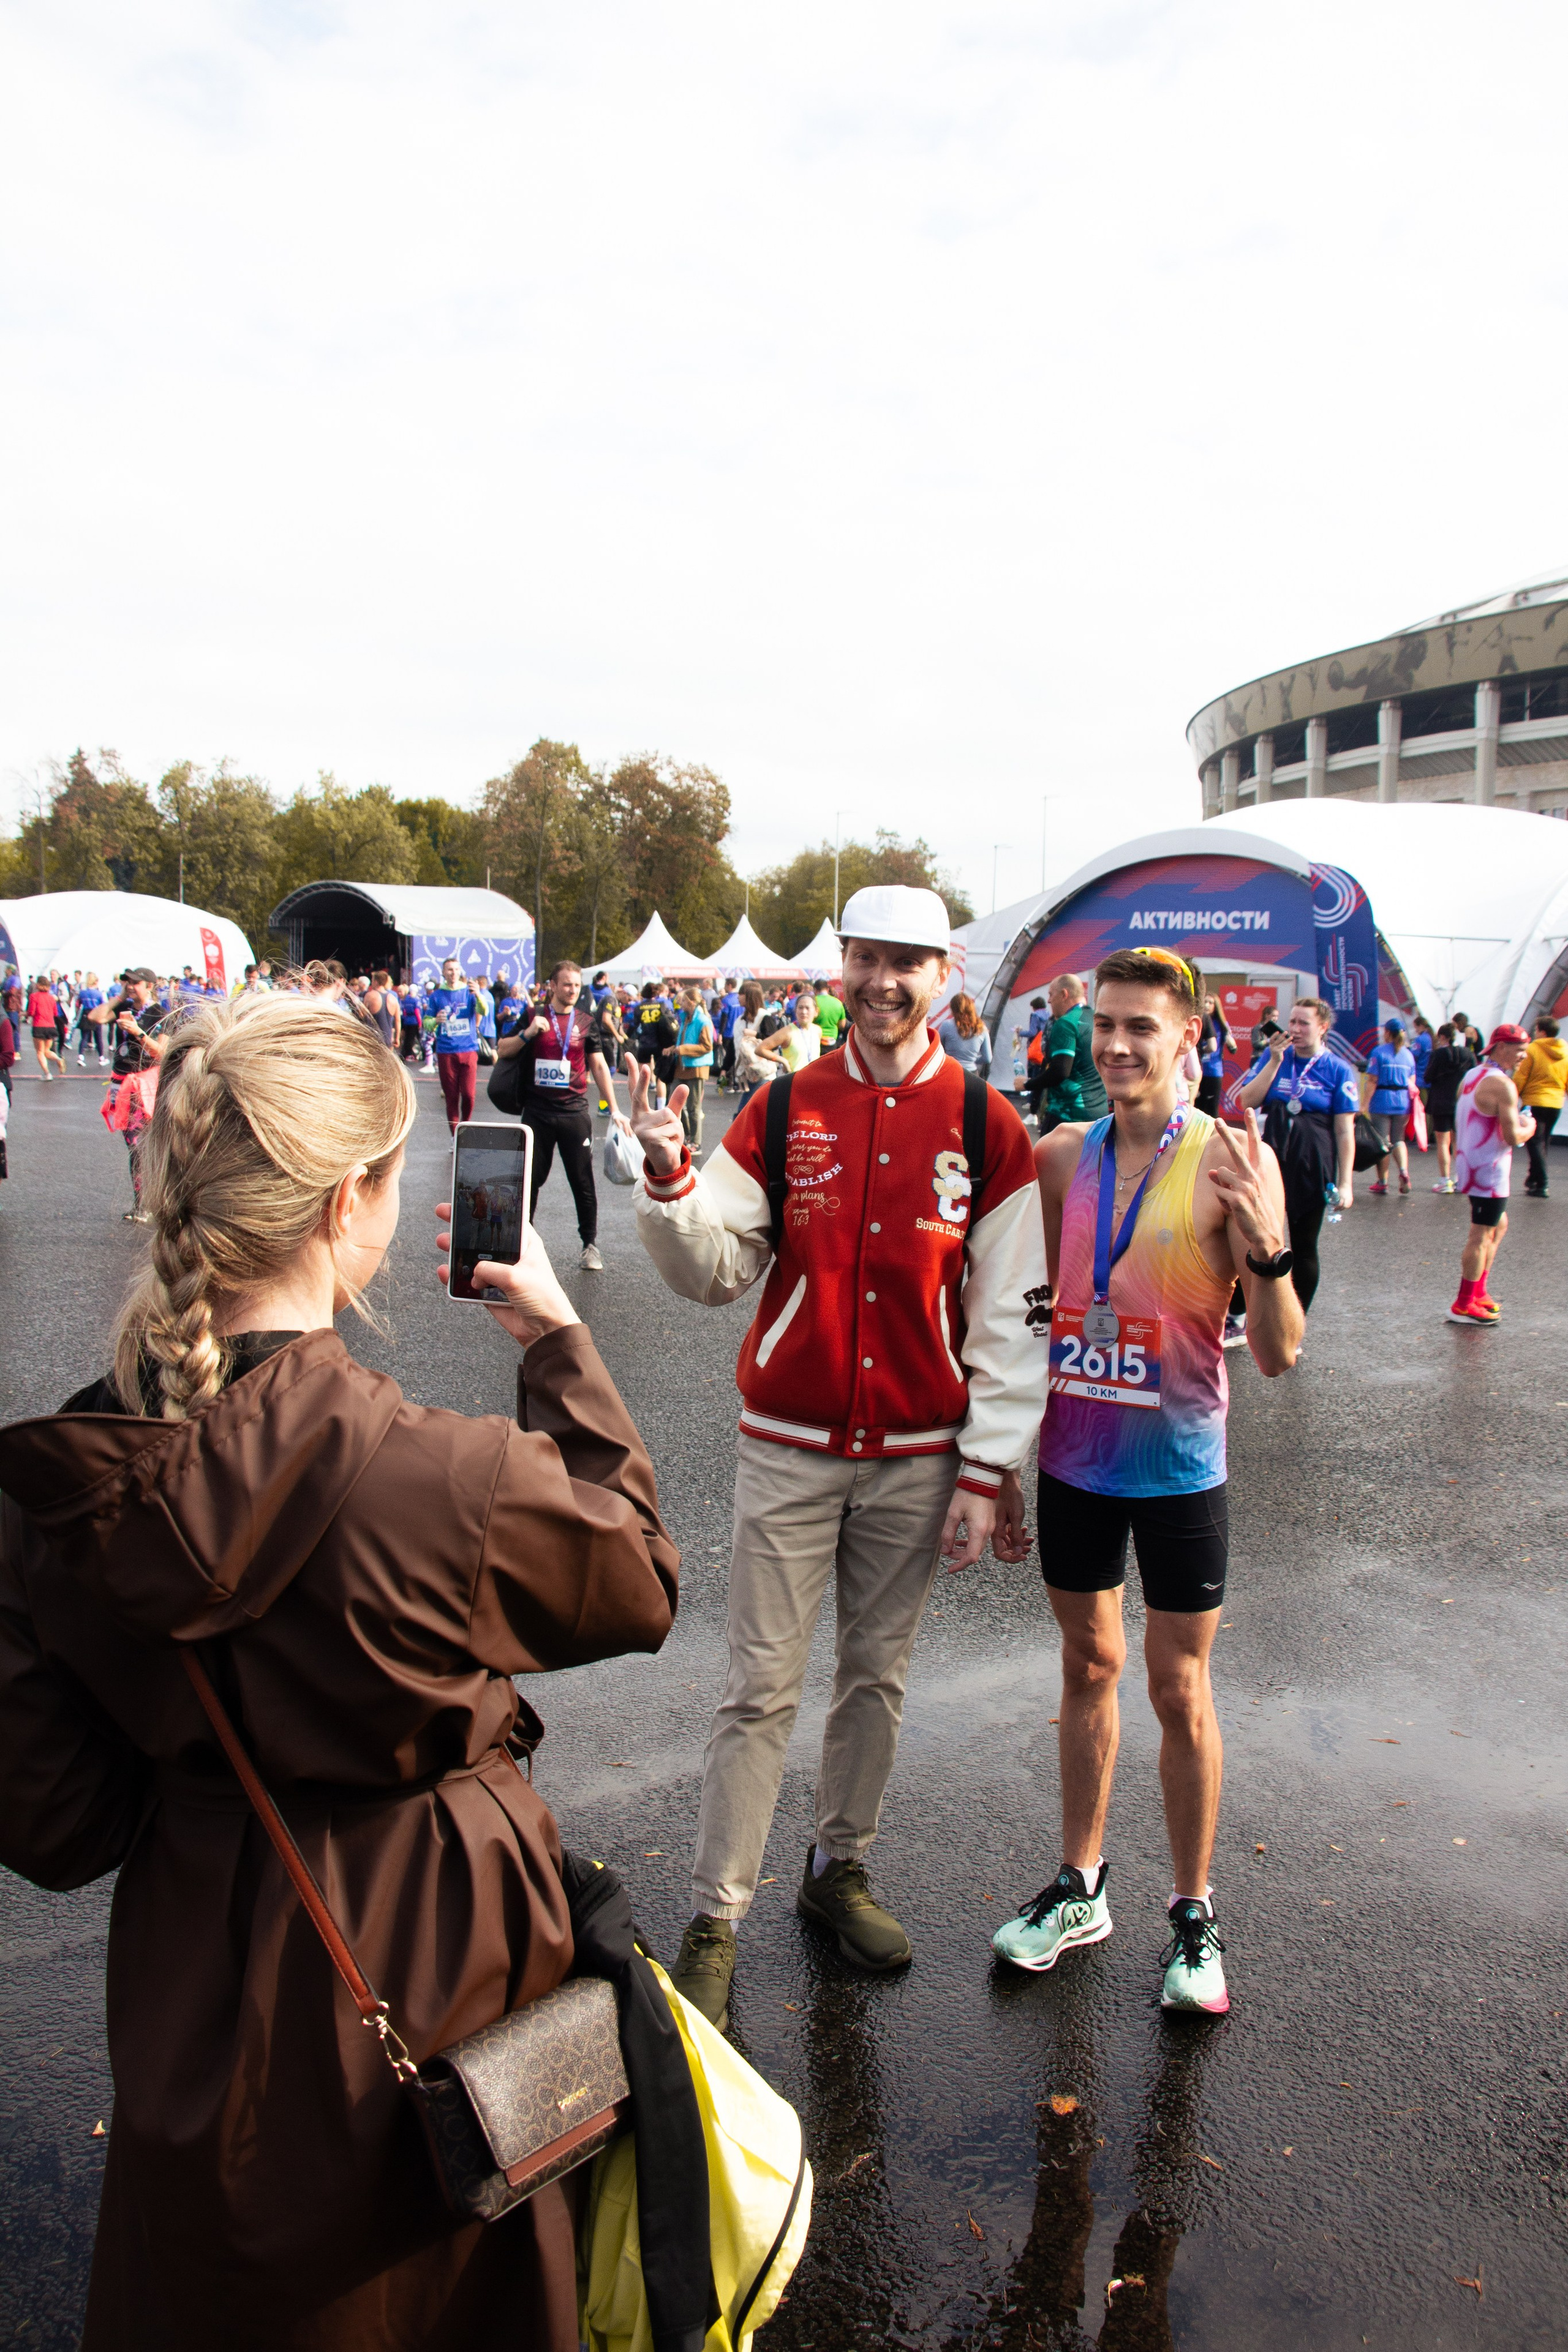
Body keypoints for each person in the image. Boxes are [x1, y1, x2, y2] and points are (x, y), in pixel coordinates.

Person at [0, 991, 679, 2350]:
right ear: (346, 1204)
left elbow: (59, 1823)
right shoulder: (441, 1478)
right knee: (451, 2288)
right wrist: (556, 1341)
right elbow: (641, 1573)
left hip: (196, 1969)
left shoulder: (62, 1485)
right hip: (437, 1960)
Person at [630, 882, 1042, 2031]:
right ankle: (716, 1915)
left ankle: (838, 1870)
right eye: (867, 958)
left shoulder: (986, 1124)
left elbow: (1011, 1314)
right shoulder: (783, 1106)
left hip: (919, 1455)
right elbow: (716, 1270)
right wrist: (669, 1179)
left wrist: (986, 1469)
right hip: (790, 1451)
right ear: (842, 967)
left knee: (874, 1679)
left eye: (908, 962)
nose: (883, 982)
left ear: (945, 976)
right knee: (759, 1687)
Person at [992, 944, 1302, 2016]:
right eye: (1106, 1025)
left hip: (1178, 1468)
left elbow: (1279, 1353)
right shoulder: (1058, 1157)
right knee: (1087, 1665)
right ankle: (1081, 1887)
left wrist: (1268, 1251)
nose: (1118, 1046)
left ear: (1188, 1039)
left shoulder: (1232, 1163)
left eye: (1142, 1028)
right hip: (1076, 1460)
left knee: (1178, 1688)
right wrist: (999, 1460)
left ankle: (1193, 1913)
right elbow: (1028, 1311)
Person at [495, 960, 630, 1272]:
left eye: (577, 985)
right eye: (567, 984)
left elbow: (599, 1066)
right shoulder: (533, 1015)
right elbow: (503, 1049)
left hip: (574, 1113)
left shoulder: (586, 1021)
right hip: (537, 1113)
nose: (572, 990)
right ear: (553, 986)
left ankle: (590, 1245)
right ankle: (522, 1245)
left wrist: (615, 1110)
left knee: (582, 1182)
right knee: (529, 1181)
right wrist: (528, 1034)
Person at [1235, 995, 1357, 1321]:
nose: (1296, 1029)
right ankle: (1240, 1315)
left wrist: (1346, 1184)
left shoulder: (1338, 1069)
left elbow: (1345, 1131)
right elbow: (1246, 1101)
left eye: (1305, 1023)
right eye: (1292, 1021)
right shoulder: (1276, 1056)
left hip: (1312, 1165)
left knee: (1303, 1246)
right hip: (1272, 1162)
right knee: (1256, 1239)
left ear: (1323, 1027)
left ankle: (1293, 1322)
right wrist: (1274, 1060)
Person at [1447, 1023, 1535, 1324]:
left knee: (1498, 1226)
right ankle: (1463, 1304)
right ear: (1501, 1047)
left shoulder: (1473, 1074)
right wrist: (1530, 1126)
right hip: (1489, 1171)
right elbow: (1513, 1137)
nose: (1524, 1056)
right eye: (1520, 1050)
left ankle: (1479, 1292)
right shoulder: (1502, 1085)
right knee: (1481, 1234)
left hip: (1472, 1166)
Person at [1041, 975, 1108, 1135]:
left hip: (1067, 1115)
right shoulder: (1096, 1019)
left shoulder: (1066, 1023)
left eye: (1051, 994)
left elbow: (1060, 1071)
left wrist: (1027, 1084)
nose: (1049, 1001)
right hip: (1099, 1115)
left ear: (1064, 994)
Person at [426, 957, 483, 1131]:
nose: (453, 973)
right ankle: (455, 1136)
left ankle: (465, 1125)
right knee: (451, 1097)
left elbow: (484, 1011)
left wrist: (479, 995)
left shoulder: (469, 993)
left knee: (469, 1095)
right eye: (450, 970)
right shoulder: (436, 996)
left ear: (460, 972)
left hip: (468, 1049)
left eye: (456, 969)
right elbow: (427, 1023)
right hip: (446, 1051)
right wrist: (435, 1020)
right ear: (443, 973)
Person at [1362, 1019, 1417, 1194]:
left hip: (1382, 1101)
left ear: (1387, 1033)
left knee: (1383, 1142)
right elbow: (1412, 1082)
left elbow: (1372, 1081)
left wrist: (1364, 1105)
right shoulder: (1408, 1055)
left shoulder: (1378, 1053)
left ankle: (1383, 1182)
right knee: (1399, 1140)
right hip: (1402, 1102)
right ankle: (1404, 1172)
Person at [1515, 1015, 1566, 1197]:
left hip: (1535, 1102)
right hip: (1556, 1103)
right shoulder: (1564, 1051)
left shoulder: (1533, 1049)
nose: (1535, 1033)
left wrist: (1513, 1093)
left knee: (1534, 1142)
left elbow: (1522, 1075)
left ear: (1542, 1032)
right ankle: (1533, 1179)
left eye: (1536, 1030)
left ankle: (1542, 1183)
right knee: (1543, 1142)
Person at [1424, 1022, 1474, 1191]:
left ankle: (1445, 1181)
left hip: (1441, 1101)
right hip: (1462, 1101)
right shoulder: (1467, 1053)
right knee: (1459, 1142)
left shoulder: (1438, 1054)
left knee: (1443, 1143)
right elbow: (1473, 1074)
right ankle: (1461, 1180)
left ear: (1442, 1037)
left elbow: (1428, 1076)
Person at [674, 981, 716, 1155]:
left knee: (693, 1108)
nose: (681, 1004)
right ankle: (687, 1137)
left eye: (684, 1001)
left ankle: (696, 1142)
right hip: (682, 1066)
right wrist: (673, 1049)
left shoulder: (702, 1020)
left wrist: (683, 1050)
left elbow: (707, 1047)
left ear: (691, 1002)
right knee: (676, 1104)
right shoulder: (686, 1018)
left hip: (697, 1068)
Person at [731, 983, 774, 1106]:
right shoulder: (740, 1020)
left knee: (743, 1111)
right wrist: (724, 1069)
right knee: (751, 1111)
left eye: (741, 994)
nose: (738, 997)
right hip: (746, 1073)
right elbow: (734, 1046)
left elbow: (773, 1041)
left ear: (750, 996)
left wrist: (755, 1035)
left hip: (762, 1072)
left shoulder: (765, 1017)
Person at [1196, 990, 1235, 1118]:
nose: (1207, 1005)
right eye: (1205, 1002)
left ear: (1216, 1006)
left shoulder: (1222, 1024)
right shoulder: (1198, 1022)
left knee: (1211, 1110)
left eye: (1210, 1003)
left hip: (1213, 1071)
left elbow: (1233, 1048)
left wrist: (1230, 1042)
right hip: (1196, 1070)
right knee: (1196, 1108)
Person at [938, 992, 993, 1077]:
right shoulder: (982, 1028)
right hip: (972, 1075)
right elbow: (988, 1058)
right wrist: (971, 1061)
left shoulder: (947, 1025)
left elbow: (937, 1050)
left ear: (953, 1009)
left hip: (950, 1072)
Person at [26, 975, 64, 1080]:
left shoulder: (34, 996)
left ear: (39, 985)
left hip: (39, 1026)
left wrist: (24, 1014)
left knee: (40, 1052)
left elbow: (31, 1012)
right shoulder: (52, 998)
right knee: (47, 1051)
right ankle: (58, 1059)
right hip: (51, 1026)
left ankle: (47, 1074)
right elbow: (55, 1013)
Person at [813, 982, 848, 1053]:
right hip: (832, 1041)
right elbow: (842, 1026)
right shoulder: (838, 1003)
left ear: (815, 990)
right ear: (828, 989)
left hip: (816, 1040)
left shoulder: (813, 1002)